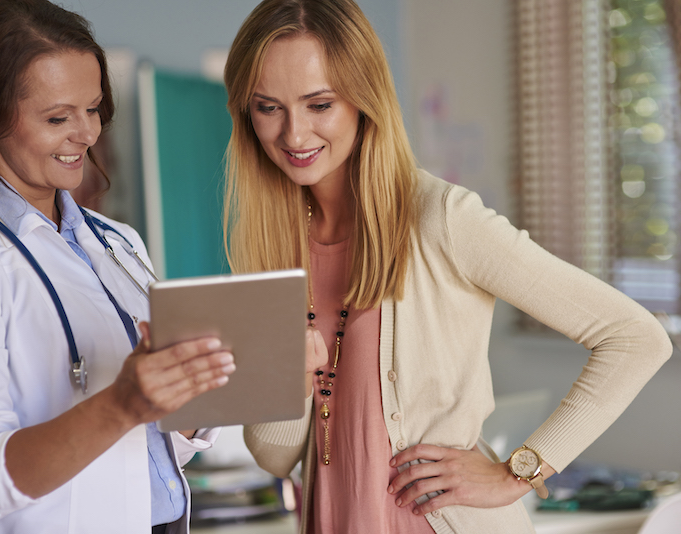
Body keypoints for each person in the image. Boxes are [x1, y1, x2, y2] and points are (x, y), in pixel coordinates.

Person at [221, 0, 673, 533]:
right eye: (268, 107)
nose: (294, 135)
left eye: (319, 104)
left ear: (364, 99)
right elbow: (276, 459)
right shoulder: (271, 246)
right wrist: (292, 379)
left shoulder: (442, 219)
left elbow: (636, 337)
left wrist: (520, 471)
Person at [0, 1, 236, 533]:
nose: (88, 134)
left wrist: (207, 390)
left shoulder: (118, 243)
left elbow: (140, 458)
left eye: (93, 108)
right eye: (57, 118)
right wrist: (122, 404)